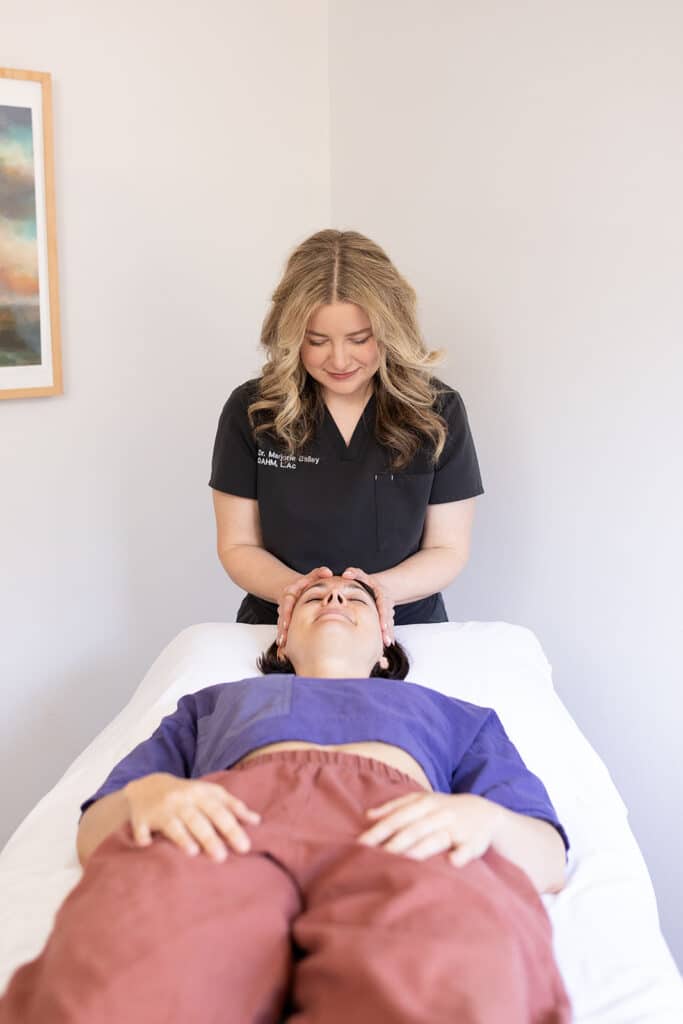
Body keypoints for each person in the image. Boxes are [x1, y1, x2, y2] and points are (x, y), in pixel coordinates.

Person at [0, 577, 571, 1024]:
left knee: (444, 979)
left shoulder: (456, 713)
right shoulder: (211, 703)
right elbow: (96, 832)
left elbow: (547, 858)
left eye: (356, 598)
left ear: (385, 642)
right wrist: (149, 794)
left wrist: (481, 817)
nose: (334, 599)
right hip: (226, 825)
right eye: (315, 596)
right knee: (132, 973)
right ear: (281, 635)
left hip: (405, 831)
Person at [210, 228, 484, 649]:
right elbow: (238, 544)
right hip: (281, 627)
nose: (339, 360)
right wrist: (303, 595)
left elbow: (448, 548)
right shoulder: (254, 411)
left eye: (359, 340)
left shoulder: (436, 413)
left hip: (407, 628)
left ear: (391, 329)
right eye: (317, 341)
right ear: (290, 335)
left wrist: (375, 595)